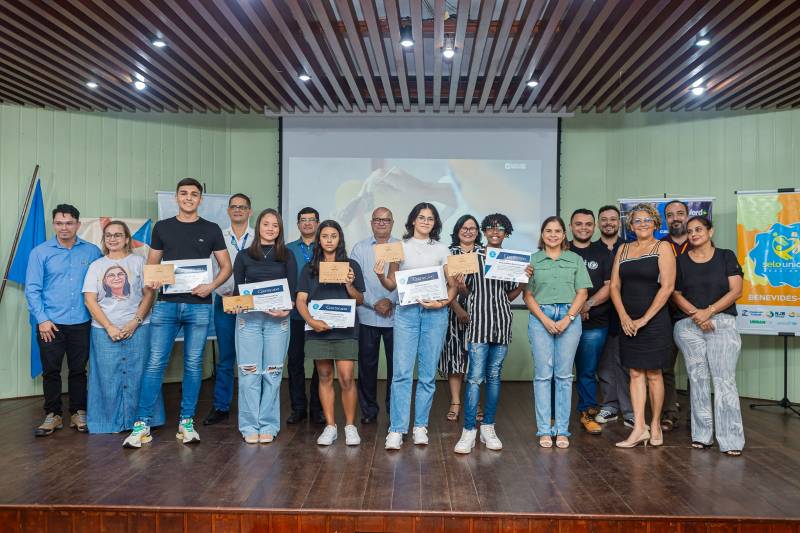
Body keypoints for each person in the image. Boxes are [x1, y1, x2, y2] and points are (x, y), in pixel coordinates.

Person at [123, 178, 231, 448]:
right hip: (166, 305)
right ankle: (141, 425)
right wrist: (152, 280)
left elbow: (226, 267)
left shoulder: (211, 228)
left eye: (194, 194)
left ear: (200, 199)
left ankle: (186, 422)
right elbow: (152, 266)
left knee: (193, 364)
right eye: (184, 193)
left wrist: (211, 286)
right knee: (155, 363)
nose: (188, 198)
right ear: (176, 197)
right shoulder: (162, 227)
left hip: (199, 306)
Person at [376, 202, 457, 450]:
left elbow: (453, 285)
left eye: (430, 218)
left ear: (435, 223)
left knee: (427, 374)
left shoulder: (442, 249)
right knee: (401, 373)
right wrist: (380, 275)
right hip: (407, 313)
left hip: (435, 314)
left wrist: (442, 302)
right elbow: (392, 284)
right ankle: (397, 429)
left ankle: (420, 426)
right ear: (413, 220)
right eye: (421, 217)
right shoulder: (399, 247)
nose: (425, 222)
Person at [453, 213, 528, 454]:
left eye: (501, 229)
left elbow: (509, 296)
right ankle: (468, 430)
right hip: (478, 324)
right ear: (484, 232)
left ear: (507, 233)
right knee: (475, 378)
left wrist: (523, 282)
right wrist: (461, 286)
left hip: (501, 323)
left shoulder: (511, 260)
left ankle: (488, 427)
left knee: (494, 376)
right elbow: (466, 293)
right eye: (490, 228)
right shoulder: (472, 257)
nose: (495, 232)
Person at [25, 204, 102, 436]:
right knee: (51, 371)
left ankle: (78, 412)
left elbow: (102, 284)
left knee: (79, 370)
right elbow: (32, 289)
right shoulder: (40, 252)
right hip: (50, 324)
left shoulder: (92, 251)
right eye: (59, 223)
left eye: (69, 223)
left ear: (78, 224)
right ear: (53, 224)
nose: (64, 227)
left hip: (82, 322)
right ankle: (53, 415)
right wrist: (42, 319)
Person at [671, 216, 744, 456]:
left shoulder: (725, 256)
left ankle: (731, 439)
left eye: (699, 229)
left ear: (710, 232)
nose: (694, 234)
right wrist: (697, 315)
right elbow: (675, 293)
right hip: (689, 325)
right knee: (698, 379)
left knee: (724, 380)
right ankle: (702, 436)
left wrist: (708, 312)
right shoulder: (680, 261)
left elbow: (736, 290)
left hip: (722, 322)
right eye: (690, 231)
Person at [83, 221, 163, 433]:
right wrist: (109, 327)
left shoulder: (140, 262)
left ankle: (142, 420)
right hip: (103, 330)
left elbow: (149, 294)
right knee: (106, 377)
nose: (113, 239)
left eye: (118, 235)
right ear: (104, 239)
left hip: (139, 327)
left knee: (140, 374)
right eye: (108, 235)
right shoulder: (96, 266)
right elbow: (90, 300)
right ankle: (107, 422)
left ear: (127, 238)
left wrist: (135, 322)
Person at [228, 209, 296, 444]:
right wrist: (234, 305)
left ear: (280, 229)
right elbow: (237, 292)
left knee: (273, 374)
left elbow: (293, 292)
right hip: (249, 321)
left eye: (275, 225)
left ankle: (268, 424)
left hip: (278, 321)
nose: (270, 228)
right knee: (249, 374)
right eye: (266, 224)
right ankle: (249, 425)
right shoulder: (243, 256)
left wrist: (287, 309)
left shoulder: (287, 256)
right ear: (258, 227)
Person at [610, 203, 675, 448]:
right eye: (637, 220)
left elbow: (667, 287)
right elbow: (614, 286)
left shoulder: (663, 247)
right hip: (628, 320)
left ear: (656, 223)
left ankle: (655, 424)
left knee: (654, 374)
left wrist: (644, 319)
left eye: (647, 220)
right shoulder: (623, 249)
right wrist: (624, 317)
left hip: (654, 321)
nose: (643, 224)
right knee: (635, 373)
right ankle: (639, 428)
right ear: (631, 225)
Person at [524, 216, 592, 449]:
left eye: (557, 231)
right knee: (543, 376)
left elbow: (582, 293)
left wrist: (568, 318)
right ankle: (544, 430)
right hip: (540, 317)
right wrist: (544, 320)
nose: (552, 235)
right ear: (542, 235)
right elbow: (527, 295)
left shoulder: (575, 259)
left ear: (564, 235)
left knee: (563, 376)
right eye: (548, 231)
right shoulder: (532, 260)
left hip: (569, 317)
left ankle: (562, 430)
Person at [296, 220, 366, 446]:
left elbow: (360, 300)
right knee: (325, 376)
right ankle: (330, 426)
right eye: (324, 236)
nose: (329, 240)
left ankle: (350, 427)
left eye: (333, 236)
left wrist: (349, 285)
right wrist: (311, 321)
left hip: (346, 330)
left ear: (340, 239)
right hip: (318, 330)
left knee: (346, 377)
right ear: (319, 240)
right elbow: (301, 300)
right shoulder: (309, 268)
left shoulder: (351, 265)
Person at [204, 193, 255, 426]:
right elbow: (207, 268)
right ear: (228, 210)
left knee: (250, 357)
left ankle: (250, 405)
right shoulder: (218, 236)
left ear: (249, 211)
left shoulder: (258, 236)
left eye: (242, 207)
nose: (238, 210)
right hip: (224, 301)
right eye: (234, 207)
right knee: (226, 357)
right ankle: (221, 406)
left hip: (252, 304)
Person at [350, 207, 397, 424]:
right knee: (367, 367)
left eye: (385, 220)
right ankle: (369, 411)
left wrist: (390, 300)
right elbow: (354, 282)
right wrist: (373, 302)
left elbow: (406, 278)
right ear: (371, 223)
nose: (381, 223)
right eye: (377, 219)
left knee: (396, 368)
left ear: (392, 223)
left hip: (396, 317)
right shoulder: (359, 249)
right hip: (367, 315)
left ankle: (394, 409)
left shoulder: (400, 247)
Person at [569, 209, 612, 435]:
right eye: (578, 224)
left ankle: (586, 412)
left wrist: (588, 304)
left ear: (594, 227)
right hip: (564, 322)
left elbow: (610, 285)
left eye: (588, 224)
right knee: (560, 372)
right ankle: (554, 415)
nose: (583, 228)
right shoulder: (562, 249)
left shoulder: (603, 252)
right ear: (571, 226)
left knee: (587, 372)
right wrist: (576, 308)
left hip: (595, 324)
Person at [593, 205, 635, 427]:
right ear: (598, 223)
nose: (608, 223)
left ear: (620, 223)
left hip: (627, 313)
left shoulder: (630, 248)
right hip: (598, 316)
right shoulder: (592, 249)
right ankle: (610, 406)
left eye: (612, 219)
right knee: (604, 364)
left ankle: (630, 410)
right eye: (604, 219)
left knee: (626, 364)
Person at [440, 215, 481, 422]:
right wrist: (457, 308)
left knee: (477, 359)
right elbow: (443, 286)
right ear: (457, 231)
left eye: (472, 228)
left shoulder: (484, 254)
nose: (468, 231)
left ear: (477, 232)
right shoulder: (448, 254)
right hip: (453, 312)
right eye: (464, 228)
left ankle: (475, 403)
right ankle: (455, 402)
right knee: (454, 358)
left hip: (480, 313)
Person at [286, 207, 323, 424]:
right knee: (295, 361)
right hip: (294, 315)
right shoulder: (287, 249)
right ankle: (298, 407)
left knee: (321, 363)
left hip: (321, 315)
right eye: (303, 220)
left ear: (318, 223)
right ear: (298, 224)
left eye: (311, 220)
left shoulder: (326, 246)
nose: (307, 223)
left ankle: (318, 408)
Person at [660, 199, 692, 431]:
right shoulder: (660, 245)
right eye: (670, 215)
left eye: (680, 213)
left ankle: (695, 415)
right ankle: (669, 413)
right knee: (665, 368)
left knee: (696, 369)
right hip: (665, 315)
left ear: (687, 216)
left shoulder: (699, 241)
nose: (675, 218)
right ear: (665, 219)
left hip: (693, 315)